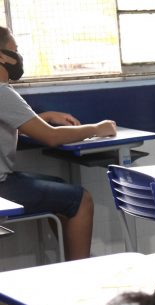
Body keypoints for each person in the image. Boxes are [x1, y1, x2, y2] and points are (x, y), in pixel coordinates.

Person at [0, 27, 117, 260]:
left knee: (60, 187)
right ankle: (79, 270)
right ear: (2, 56)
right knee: (80, 199)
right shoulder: (2, 93)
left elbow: (12, 126)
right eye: (15, 50)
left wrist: (45, 117)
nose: (18, 57)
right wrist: (97, 128)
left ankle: (69, 261)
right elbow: (51, 137)